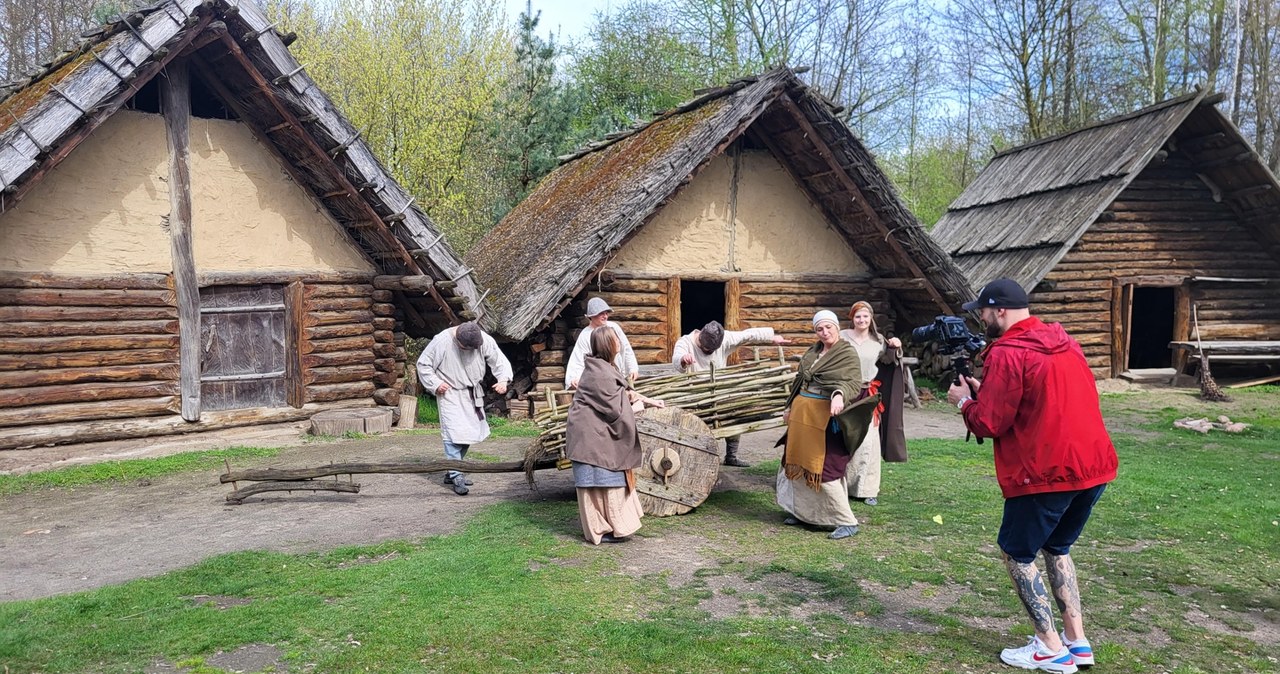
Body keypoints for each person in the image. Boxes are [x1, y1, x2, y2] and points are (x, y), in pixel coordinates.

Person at [946, 278, 1118, 673]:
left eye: (983, 312)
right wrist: (983, 392)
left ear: (999, 311)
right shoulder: (1064, 341)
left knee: (1017, 552)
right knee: (1057, 547)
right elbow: (1035, 399)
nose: (981, 319)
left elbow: (990, 421)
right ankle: (1077, 642)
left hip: (1046, 471)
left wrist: (964, 403)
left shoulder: (1007, 352)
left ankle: (1049, 647)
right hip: (1093, 466)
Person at [775, 310, 879, 540]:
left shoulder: (846, 353)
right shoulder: (813, 352)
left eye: (828, 327)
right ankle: (801, 513)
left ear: (836, 327)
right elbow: (800, 380)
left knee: (825, 468)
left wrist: (839, 395)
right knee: (795, 462)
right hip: (802, 416)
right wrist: (789, 406)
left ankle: (846, 521)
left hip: (825, 419)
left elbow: (851, 382)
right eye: (819, 329)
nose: (824, 332)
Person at [564, 328, 664, 544]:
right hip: (590, 435)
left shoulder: (603, 368)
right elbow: (615, 410)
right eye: (615, 339)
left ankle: (614, 526)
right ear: (608, 345)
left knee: (607, 480)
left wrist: (648, 401)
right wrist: (635, 408)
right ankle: (601, 529)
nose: (619, 341)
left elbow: (620, 393)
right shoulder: (600, 374)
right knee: (601, 480)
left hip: (594, 431)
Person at [671, 320, 790, 467]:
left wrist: (771, 337)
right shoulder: (685, 342)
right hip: (695, 394)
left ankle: (731, 457)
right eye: (707, 349)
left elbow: (747, 335)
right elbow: (677, 358)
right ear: (700, 336)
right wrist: (683, 359)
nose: (710, 352)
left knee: (733, 413)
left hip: (719, 391)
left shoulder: (725, 338)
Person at [416, 321, 513, 496]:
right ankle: (456, 474)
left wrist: (503, 379)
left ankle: (452, 470)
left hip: (472, 393)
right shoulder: (441, 341)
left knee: (468, 434)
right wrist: (436, 384)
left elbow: (498, 359)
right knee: (453, 435)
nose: (470, 351)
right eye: (466, 348)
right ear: (459, 340)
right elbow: (424, 365)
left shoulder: (482, 339)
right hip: (450, 394)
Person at [839, 301, 908, 505]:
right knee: (843, 437)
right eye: (858, 316)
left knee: (868, 440)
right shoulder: (842, 337)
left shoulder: (878, 340)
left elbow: (890, 361)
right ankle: (841, 484)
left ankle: (866, 488)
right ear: (852, 318)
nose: (861, 320)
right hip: (846, 392)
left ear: (871, 319)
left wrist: (896, 346)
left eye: (865, 317)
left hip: (868, 392)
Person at [565, 297, 638, 389]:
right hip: (599, 379)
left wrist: (632, 368)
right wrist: (575, 378)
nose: (605, 316)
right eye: (601, 314)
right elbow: (578, 359)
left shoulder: (614, 327)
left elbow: (625, 348)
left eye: (606, 313)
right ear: (591, 316)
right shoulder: (586, 335)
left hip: (618, 374)